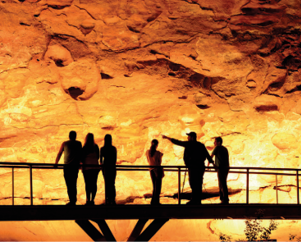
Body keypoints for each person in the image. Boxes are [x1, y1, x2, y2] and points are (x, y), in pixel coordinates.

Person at [162, 132, 213, 205]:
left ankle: (194, 200)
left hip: (193, 167)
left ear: (192, 137)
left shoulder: (189, 144)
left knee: (193, 183)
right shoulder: (201, 145)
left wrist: (167, 137)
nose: (187, 138)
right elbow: (207, 155)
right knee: (198, 183)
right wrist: (212, 163)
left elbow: (177, 142)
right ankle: (197, 200)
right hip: (200, 167)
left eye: (188, 136)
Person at [55, 131, 82, 205]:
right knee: (74, 183)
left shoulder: (65, 143)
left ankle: (72, 200)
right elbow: (80, 154)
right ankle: (73, 200)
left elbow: (60, 153)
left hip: (67, 166)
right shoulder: (78, 143)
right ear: (75, 136)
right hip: (75, 166)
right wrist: (81, 163)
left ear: (69, 136)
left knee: (69, 184)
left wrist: (56, 163)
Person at [209, 137, 229, 204]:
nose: (214, 143)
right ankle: (224, 198)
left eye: (215, 141)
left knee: (221, 183)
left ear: (219, 142)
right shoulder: (225, 148)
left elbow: (210, 157)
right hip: (226, 168)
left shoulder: (217, 148)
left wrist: (209, 165)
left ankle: (224, 199)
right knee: (223, 182)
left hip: (220, 168)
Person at [82, 133, 100, 206]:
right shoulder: (95, 147)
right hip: (95, 167)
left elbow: (82, 158)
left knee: (87, 184)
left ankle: (88, 199)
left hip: (87, 167)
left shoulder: (85, 147)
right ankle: (92, 199)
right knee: (94, 183)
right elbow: (98, 157)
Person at [146, 139, 164, 205]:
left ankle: (153, 201)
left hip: (151, 170)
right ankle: (156, 202)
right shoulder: (158, 153)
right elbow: (159, 162)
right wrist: (161, 155)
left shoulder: (147, 152)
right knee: (158, 186)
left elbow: (148, 160)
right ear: (157, 145)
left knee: (154, 186)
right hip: (157, 170)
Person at [100, 134, 117, 205]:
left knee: (107, 183)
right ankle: (112, 199)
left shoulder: (102, 149)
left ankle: (107, 198)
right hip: (112, 167)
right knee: (112, 183)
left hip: (106, 168)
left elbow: (101, 160)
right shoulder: (113, 148)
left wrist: (102, 167)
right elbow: (115, 159)